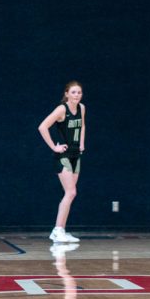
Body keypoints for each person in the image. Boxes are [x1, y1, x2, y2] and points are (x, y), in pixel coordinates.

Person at [37, 81, 86, 244]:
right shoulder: (62, 109)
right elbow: (42, 127)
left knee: (70, 194)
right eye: (73, 92)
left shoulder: (82, 108)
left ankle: (60, 230)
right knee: (71, 192)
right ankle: (57, 230)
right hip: (63, 155)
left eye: (79, 92)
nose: (76, 95)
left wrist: (81, 143)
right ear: (66, 94)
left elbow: (82, 125)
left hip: (75, 154)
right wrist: (54, 147)